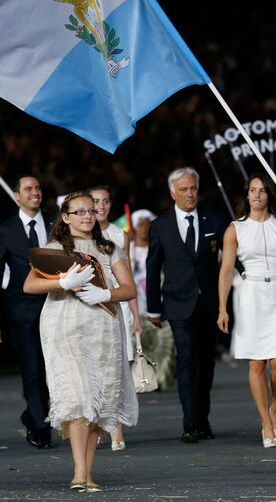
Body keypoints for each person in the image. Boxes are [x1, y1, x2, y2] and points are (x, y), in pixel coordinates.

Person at [23, 191, 138, 492]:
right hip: (65, 326)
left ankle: (87, 473)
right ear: (66, 217)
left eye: (91, 210)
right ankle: (78, 473)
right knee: (78, 397)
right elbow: (30, 284)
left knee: (97, 404)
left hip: (102, 328)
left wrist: (106, 294)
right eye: (80, 212)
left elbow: (129, 289)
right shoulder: (54, 249)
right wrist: (62, 282)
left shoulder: (109, 247)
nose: (88, 215)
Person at [217, 174, 276, 448]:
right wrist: (222, 308)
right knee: (256, 363)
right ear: (246, 195)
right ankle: (265, 420)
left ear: (269, 195)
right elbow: (227, 269)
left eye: (262, 190)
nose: (257, 195)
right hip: (251, 296)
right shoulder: (235, 229)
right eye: (253, 190)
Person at [146, 167, 224, 443]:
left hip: (209, 304)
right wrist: (153, 308)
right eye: (183, 189)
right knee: (187, 359)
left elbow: (230, 253)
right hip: (178, 304)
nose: (190, 193)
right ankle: (190, 423)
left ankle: (202, 420)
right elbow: (153, 268)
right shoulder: (161, 225)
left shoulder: (213, 218)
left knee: (206, 364)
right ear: (172, 192)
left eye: (193, 188)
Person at [0, 176, 54, 449]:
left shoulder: (57, 223)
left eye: (38, 188)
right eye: (28, 189)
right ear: (17, 196)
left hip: (57, 305)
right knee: (32, 367)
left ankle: (35, 413)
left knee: (53, 367)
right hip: (21, 309)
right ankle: (40, 424)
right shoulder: (6, 229)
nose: (35, 193)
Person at [89, 185, 142, 452]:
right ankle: (96, 425)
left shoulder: (120, 236)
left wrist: (136, 315)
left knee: (117, 369)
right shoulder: (80, 234)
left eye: (105, 201)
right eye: (96, 201)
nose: (100, 206)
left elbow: (128, 279)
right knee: (93, 369)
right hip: (88, 309)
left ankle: (116, 429)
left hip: (115, 306)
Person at [130, 209, 176, 390]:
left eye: (148, 225)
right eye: (141, 225)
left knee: (162, 345)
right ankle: (142, 381)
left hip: (159, 303)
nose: (144, 229)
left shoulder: (160, 246)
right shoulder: (130, 250)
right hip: (138, 305)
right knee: (141, 346)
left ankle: (162, 380)